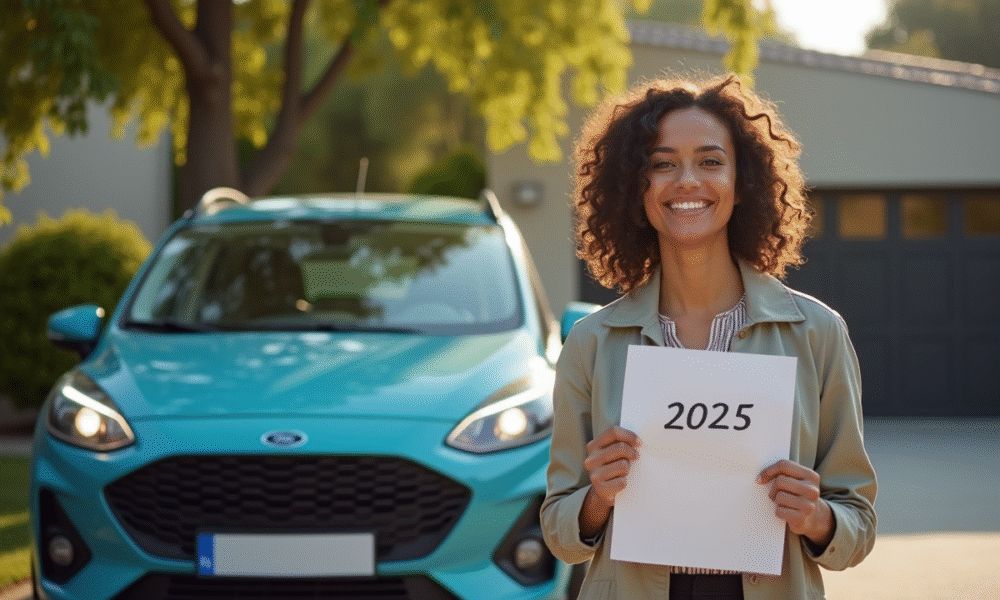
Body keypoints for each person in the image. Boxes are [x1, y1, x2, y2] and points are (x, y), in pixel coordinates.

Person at [540, 73, 877, 600]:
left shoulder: (817, 335)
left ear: (742, 183)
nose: (687, 181)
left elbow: (857, 525)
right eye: (662, 163)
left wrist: (816, 518)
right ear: (637, 185)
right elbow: (560, 532)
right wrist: (597, 500)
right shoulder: (591, 342)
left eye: (710, 161)